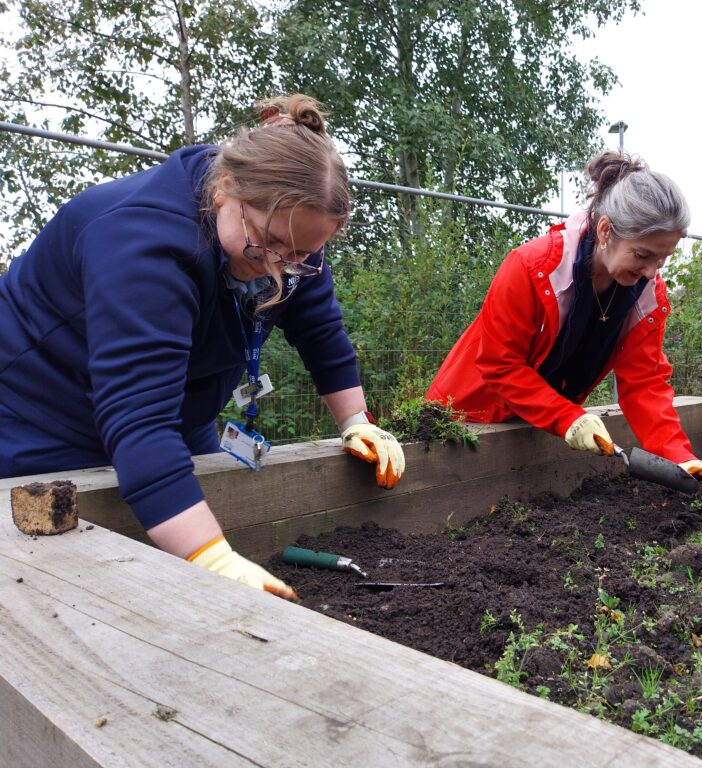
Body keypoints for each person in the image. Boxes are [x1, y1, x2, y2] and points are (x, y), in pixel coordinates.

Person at [0, 94, 405, 599]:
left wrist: (356, 422)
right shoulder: (142, 241)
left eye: (301, 254)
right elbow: (140, 421)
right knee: (59, 587)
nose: (280, 264)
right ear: (225, 189)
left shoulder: (287, 237)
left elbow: (320, 329)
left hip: (177, 419)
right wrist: (209, 558)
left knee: (179, 541)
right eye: (267, 242)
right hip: (41, 416)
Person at [427, 151, 702, 500]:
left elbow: (644, 382)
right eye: (643, 255)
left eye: (663, 259)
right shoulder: (532, 268)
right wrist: (566, 416)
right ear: (605, 231)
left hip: (534, 430)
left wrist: (679, 455)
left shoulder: (646, 293)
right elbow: (501, 364)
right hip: (465, 422)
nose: (651, 271)